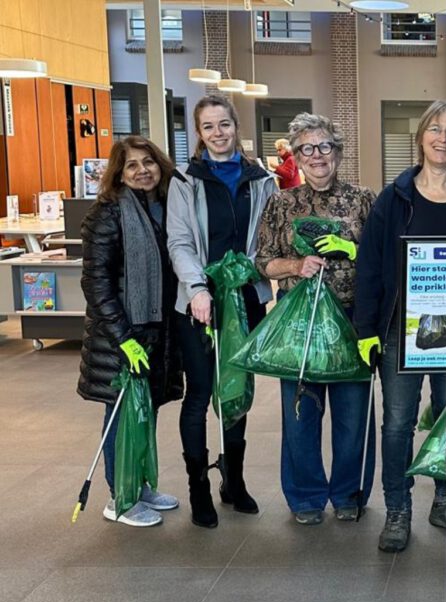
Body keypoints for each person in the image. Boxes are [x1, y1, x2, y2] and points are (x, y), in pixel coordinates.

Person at [354, 100, 446, 552]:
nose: (442, 138)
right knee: (398, 422)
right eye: (435, 129)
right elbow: (371, 266)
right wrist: (366, 329)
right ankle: (397, 509)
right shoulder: (394, 198)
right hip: (403, 330)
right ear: (420, 137)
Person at [255, 113, 377, 525]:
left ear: (337, 152)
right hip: (300, 329)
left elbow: (381, 261)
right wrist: (294, 265)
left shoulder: (363, 200)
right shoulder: (281, 203)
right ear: (297, 156)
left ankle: (348, 494)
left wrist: (354, 249)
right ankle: (306, 497)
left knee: (352, 420)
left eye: (325, 146)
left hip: (352, 326)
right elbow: (262, 263)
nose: (317, 155)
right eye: (307, 148)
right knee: (301, 418)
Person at [167, 96, 277, 528]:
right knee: (199, 394)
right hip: (197, 302)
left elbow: (266, 240)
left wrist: (251, 273)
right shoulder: (184, 180)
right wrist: (197, 289)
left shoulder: (262, 180)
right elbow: (179, 242)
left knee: (235, 392)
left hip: (244, 296)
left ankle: (234, 480)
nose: (218, 133)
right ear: (199, 133)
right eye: (208, 126)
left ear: (236, 126)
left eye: (224, 124)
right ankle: (199, 487)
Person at [78, 136, 183, 527]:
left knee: (145, 412)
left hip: (158, 328)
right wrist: (124, 338)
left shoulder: (164, 206)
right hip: (122, 333)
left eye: (149, 162)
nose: (143, 171)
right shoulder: (106, 214)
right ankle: (118, 498)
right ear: (119, 173)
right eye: (132, 165)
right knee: (121, 416)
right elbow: (96, 282)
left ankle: (138, 486)